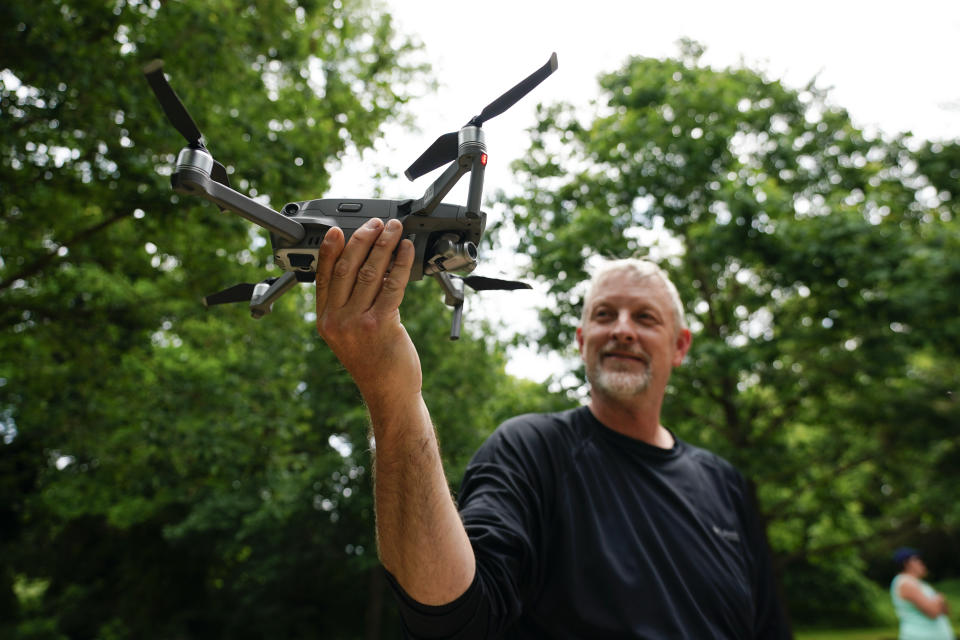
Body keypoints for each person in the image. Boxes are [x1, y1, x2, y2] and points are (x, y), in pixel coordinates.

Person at [315, 217, 791, 638]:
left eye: (645, 318)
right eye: (605, 315)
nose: (623, 329)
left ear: (680, 346)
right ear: (584, 341)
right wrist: (392, 395)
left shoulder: (725, 485)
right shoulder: (530, 451)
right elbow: (452, 614)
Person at [891, 547, 954, 640]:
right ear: (907, 564)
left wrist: (938, 602)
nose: (922, 563)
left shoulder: (919, 583)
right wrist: (939, 599)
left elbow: (946, 611)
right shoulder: (905, 583)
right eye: (917, 560)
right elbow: (933, 612)